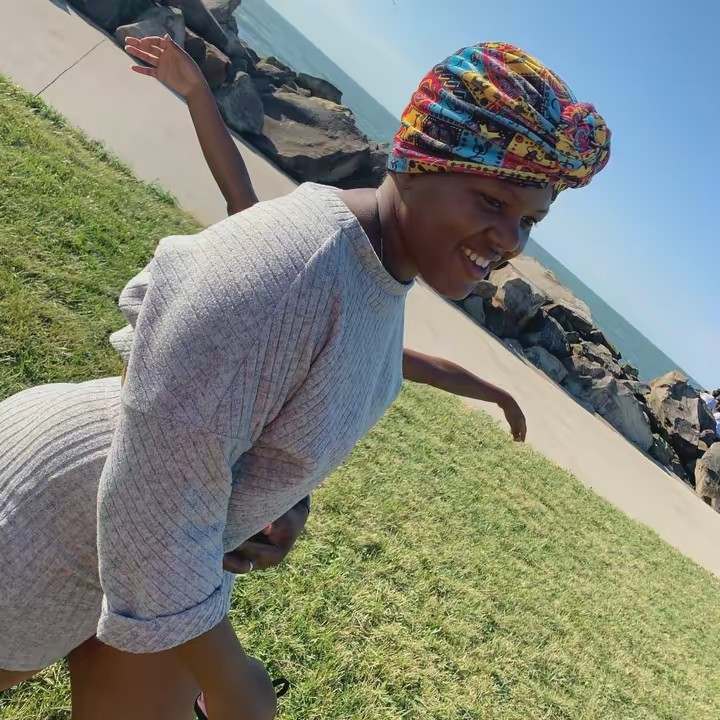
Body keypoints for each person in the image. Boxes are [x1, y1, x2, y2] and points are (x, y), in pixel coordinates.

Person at [0, 36, 610, 719]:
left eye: (529, 221)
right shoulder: (298, 264)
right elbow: (154, 496)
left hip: (146, 547)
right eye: (492, 202)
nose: (511, 241)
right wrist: (232, 681)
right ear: (416, 164)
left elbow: (304, 388)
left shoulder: (374, 273)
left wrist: (281, 500)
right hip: (46, 523)